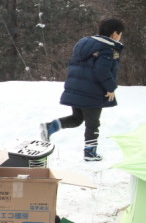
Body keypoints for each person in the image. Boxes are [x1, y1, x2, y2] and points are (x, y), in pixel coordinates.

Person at [40, 18, 125, 162]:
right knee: (92, 124)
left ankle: (50, 127)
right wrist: (110, 88)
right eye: (120, 33)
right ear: (115, 34)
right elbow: (102, 71)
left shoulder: (85, 44)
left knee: (77, 118)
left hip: (78, 88)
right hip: (93, 92)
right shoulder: (108, 49)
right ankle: (90, 153)